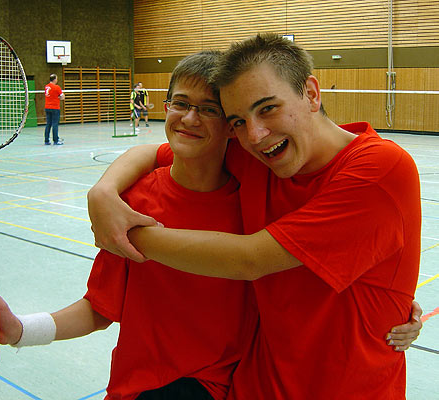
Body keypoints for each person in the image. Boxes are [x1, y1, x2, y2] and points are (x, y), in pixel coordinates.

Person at [87, 33, 423, 399]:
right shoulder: (260, 157)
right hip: (254, 387)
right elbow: (159, 152)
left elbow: (250, 259)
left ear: (311, 93)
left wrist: (124, 232)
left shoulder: (381, 169)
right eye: (238, 121)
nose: (256, 135)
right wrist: (102, 193)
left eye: (268, 108)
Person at [0, 51, 259, 400]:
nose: (190, 118)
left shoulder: (254, 203)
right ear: (165, 108)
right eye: (180, 103)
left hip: (213, 386)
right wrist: (19, 330)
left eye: (209, 108)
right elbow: (100, 309)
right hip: (136, 386)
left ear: (231, 124)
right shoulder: (129, 203)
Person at [44, 73, 65, 145]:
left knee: (48, 124)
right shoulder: (57, 87)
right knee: (55, 124)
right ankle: (55, 140)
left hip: (47, 107)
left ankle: (46, 140)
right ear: (55, 79)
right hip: (55, 108)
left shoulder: (46, 87)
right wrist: (58, 97)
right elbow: (62, 97)